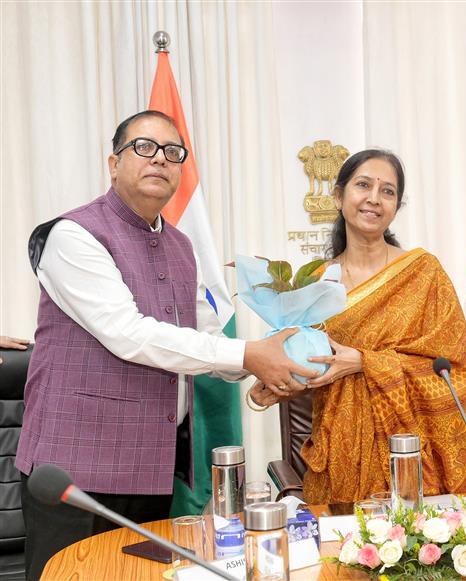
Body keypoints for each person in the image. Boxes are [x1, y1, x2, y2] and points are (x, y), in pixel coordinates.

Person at [17, 110, 316, 580]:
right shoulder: (72, 236)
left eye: (173, 152)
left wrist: (266, 365)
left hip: (150, 467)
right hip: (76, 471)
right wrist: (250, 356)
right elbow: (128, 334)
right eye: (144, 147)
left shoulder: (180, 245)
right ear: (113, 164)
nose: (160, 159)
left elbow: (206, 339)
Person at [247, 149, 466, 503]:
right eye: (363, 185)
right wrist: (278, 384)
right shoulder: (315, 284)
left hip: (410, 455)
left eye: (387, 191)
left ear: (396, 207)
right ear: (338, 197)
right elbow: (312, 368)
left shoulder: (423, 273)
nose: (374, 198)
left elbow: (456, 369)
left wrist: (364, 362)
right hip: (339, 451)